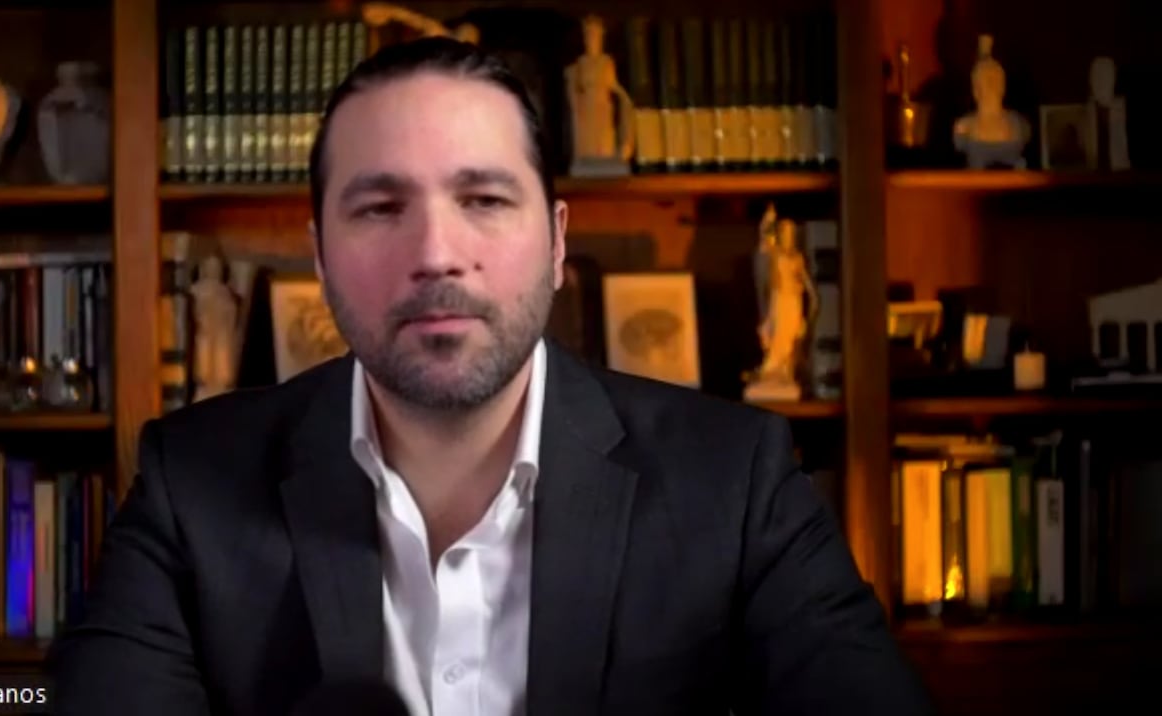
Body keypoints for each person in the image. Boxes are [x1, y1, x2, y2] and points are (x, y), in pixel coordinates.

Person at [49, 37, 933, 716]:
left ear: (554, 241)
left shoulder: (734, 479)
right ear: (317, 254)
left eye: (484, 200)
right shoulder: (189, 482)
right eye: (381, 206)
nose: (437, 254)